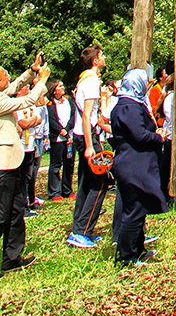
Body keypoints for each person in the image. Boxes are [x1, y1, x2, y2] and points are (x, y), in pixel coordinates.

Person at [109, 69, 167, 266]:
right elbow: (139, 135)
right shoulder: (129, 107)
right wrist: (158, 137)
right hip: (133, 164)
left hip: (136, 163)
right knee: (133, 211)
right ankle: (126, 257)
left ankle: (138, 249)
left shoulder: (129, 104)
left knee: (139, 208)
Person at [0, 53, 50, 273]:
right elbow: (26, 100)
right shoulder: (1, 101)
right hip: (3, 166)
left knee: (15, 210)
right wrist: (41, 83)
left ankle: (11, 257)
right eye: (4, 74)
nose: (8, 76)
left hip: (12, 162)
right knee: (2, 213)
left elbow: (14, 86)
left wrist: (32, 72)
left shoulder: (2, 94)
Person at [68, 45, 109, 248]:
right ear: (95, 61)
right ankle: (83, 230)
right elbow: (86, 115)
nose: (104, 57)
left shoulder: (83, 78)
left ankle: (78, 229)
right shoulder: (92, 81)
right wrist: (89, 145)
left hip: (81, 134)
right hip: (87, 136)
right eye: (101, 55)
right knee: (100, 183)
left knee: (85, 183)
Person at [47, 78, 76, 200]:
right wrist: (61, 131)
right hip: (58, 138)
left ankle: (67, 190)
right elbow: (52, 120)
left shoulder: (69, 100)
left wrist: (68, 129)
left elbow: (74, 115)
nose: (63, 88)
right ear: (54, 91)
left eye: (63, 86)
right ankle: (54, 192)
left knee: (69, 164)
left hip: (69, 137)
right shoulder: (50, 104)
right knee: (56, 165)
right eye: (60, 86)